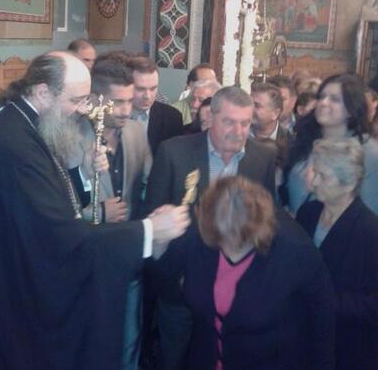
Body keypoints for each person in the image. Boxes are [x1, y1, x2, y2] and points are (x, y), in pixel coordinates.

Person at [0, 51, 190, 370]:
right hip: (21, 291)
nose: (82, 109)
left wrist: (82, 173)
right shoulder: (14, 144)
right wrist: (149, 231)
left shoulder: (25, 124)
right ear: (43, 92)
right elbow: (62, 238)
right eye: (76, 100)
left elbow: (52, 196)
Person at [143, 86, 276, 370]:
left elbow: (266, 221)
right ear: (210, 118)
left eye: (245, 123)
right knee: (174, 359)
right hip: (179, 286)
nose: (238, 131)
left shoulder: (262, 158)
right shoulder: (173, 152)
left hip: (234, 290)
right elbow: (152, 219)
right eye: (229, 122)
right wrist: (171, 276)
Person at [155, 175, 335, 370]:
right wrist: (159, 241)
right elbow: (164, 271)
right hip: (206, 358)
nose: (224, 249)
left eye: (233, 242)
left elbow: (322, 323)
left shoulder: (295, 250)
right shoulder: (204, 230)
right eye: (219, 239)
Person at [69, 58, 153, 370]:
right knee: (90, 336)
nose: (127, 110)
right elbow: (55, 206)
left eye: (130, 100)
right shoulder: (68, 138)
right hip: (88, 256)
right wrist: (97, 212)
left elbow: (147, 184)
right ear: (94, 100)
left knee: (130, 335)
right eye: (118, 102)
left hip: (129, 253)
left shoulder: (136, 133)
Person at [296, 138, 378, 369]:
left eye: (323, 176)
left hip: (348, 347)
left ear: (349, 183)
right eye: (315, 172)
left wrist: (327, 300)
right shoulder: (308, 213)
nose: (314, 182)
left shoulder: (370, 232)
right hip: (305, 339)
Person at [282, 74, 378, 214]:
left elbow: (369, 211)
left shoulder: (368, 151)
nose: (324, 102)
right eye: (321, 97)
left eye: (335, 99)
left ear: (351, 109)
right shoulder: (306, 140)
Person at [127, 55, 183, 156]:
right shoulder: (110, 113)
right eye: (140, 89)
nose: (147, 96)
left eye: (153, 89)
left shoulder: (172, 118)